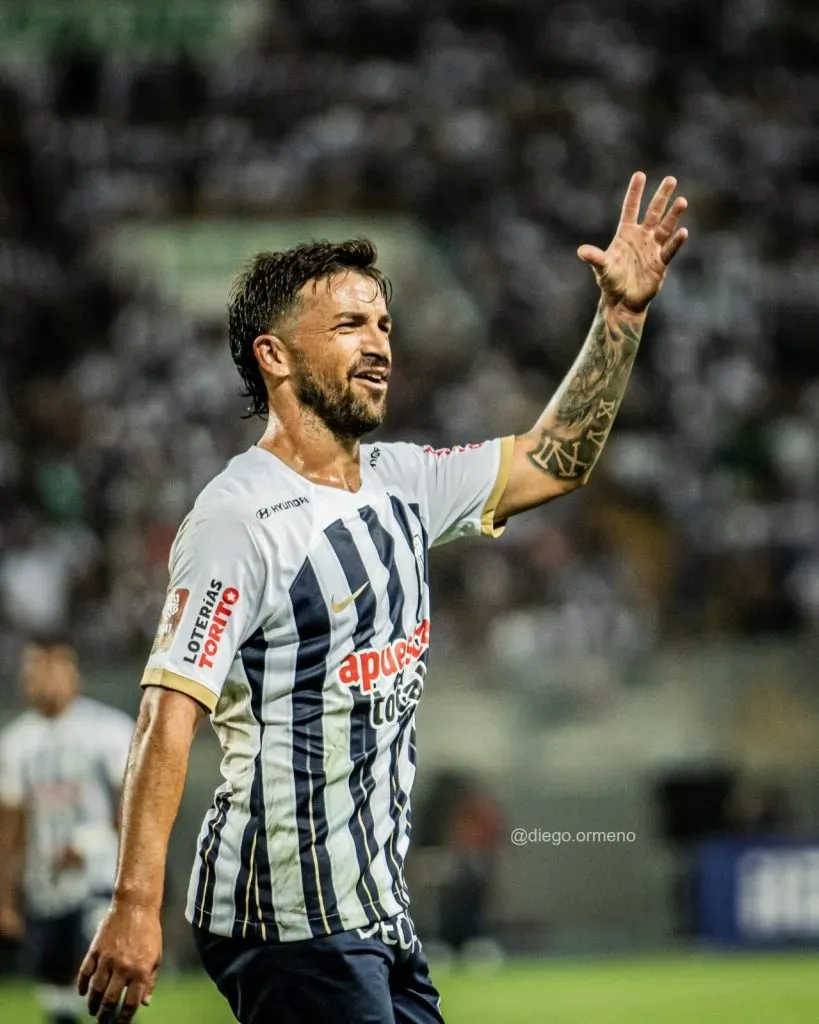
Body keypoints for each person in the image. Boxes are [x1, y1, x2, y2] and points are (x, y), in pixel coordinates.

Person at [78, 171, 688, 1024]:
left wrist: (619, 318)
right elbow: (167, 710)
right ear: (275, 354)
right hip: (286, 912)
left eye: (384, 325)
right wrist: (136, 904)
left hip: (375, 913)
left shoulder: (404, 481)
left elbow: (556, 460)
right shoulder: (237, 518)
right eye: (349, 325)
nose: (379, 345)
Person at [0, 637, 134, 1024]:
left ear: (72, 673)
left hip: (99, 880)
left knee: (105, 981)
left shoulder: (107, 729)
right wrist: (6, 897)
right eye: (34, 672)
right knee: (55, 986)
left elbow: (131, 807)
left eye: (51, 669)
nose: (42, 681)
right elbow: (12, 826)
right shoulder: (15, 743)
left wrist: (92, 842)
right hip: (45, 886)